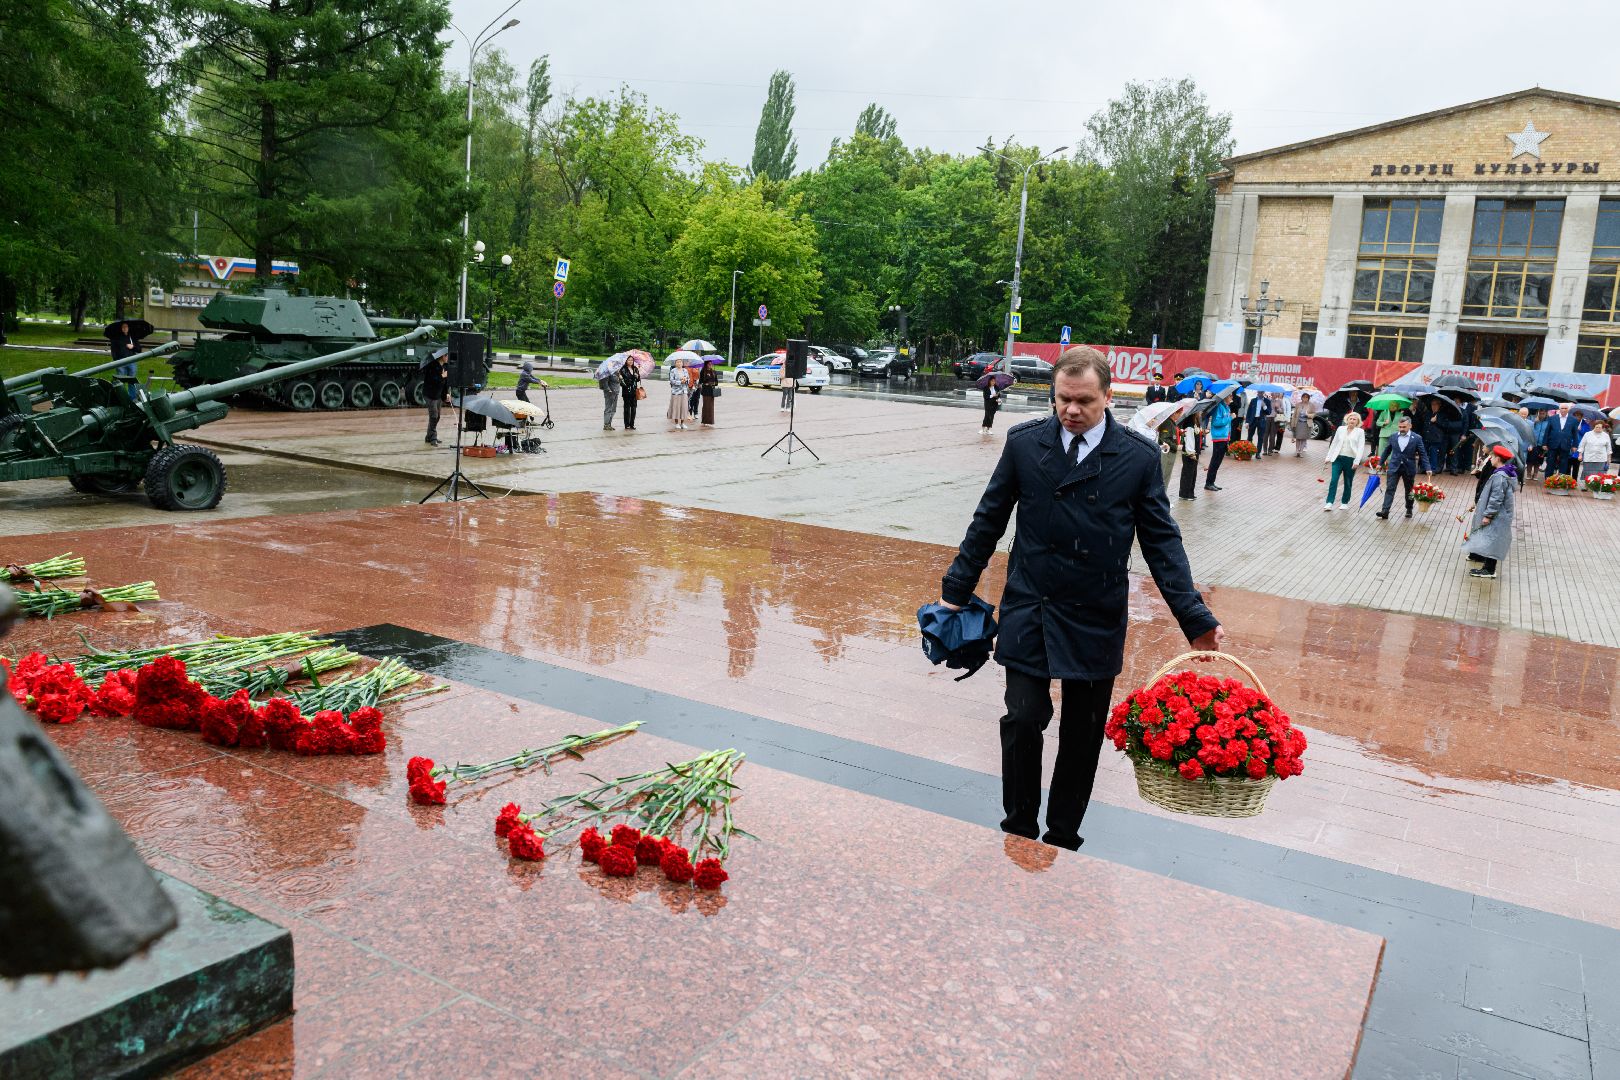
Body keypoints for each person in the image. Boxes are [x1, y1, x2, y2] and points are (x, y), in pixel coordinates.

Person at [938, 347, 1222, 850]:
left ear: (1108, 397)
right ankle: (1019, 826)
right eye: (1062, 399)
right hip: (1032, 603)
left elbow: (1162, 543)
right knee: (1023, 717)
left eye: (1084, 401)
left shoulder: (1137, 457)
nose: (1070, 410)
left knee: (1083, 732)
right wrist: (956, 591)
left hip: (1095, 613)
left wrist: (1194, 617)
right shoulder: (1025, 443)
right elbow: (989, 517)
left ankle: (1063, 834)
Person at [1464, 446, 1517, 580]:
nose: (1490, 459)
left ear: (1498, 459)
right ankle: (1487, 567)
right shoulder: (1502, 473)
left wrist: (1488, 515)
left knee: (1492, 539)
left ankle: (1489, 569)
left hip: (1497, 515)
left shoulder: (1500, 476)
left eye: (1492, 457)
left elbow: (1496, 497)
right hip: (1499, 514)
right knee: (1491, 538)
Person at [1375, 415, 1433, 520]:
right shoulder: (1393, 436)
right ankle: (1385, 511)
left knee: (1409, 490)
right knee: (1390, 488)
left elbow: (1423, 454)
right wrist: (1380, 463)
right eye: (1400, 427)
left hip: (1409, 467)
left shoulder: (1417, 438)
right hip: (1394, 466)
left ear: (1410, 426)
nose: (1401, 429)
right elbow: (1387, 450)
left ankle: (1409, 509)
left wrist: (1428, 468)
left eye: (1404, 427)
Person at [1321, 411, 1366, 511]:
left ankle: (1344, 502)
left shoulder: (1360, 432)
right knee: (1334, 480)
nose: (1352, 420)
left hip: (1351, 460)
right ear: (1347, 420)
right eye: (1351, 418)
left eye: (1354, 419)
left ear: (1357, 422)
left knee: (1348, 481)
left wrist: (1357, 461)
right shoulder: (1340, 429)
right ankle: (1329, 502)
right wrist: (1328, 457)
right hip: (1338, 458)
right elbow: (1334, 443)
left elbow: (1361, 447)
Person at [1540, 403, 1582, 478]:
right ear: (1559, 409)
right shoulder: (1552, 418)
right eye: (1562, 408)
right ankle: (1548, 479)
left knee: (1563, 464)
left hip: (1565, 444)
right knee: (1550, 463)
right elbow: (1547, 432)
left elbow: (1575, 433)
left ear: (1568, 410)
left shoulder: (1573, 420)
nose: (1564, 410)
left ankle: (1561, 480)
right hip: (1553, 444)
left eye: (1565, 408)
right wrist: (1544, 443)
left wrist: (1575, 445)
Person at [1203, 393, 1232, 491]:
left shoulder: (1226, 407)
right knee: (1215, 461)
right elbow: (1216, 422)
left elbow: (1227, 424)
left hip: (1224, 437)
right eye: (1230, 396)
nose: (1231, 397)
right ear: (1225, 397)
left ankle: (1212, 482)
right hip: (1218, 437)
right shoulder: (1219, 407)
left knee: (1218, 461)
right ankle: (1208, 483)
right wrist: (1230, 418)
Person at [422, 349, 450, 446]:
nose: (448, 358)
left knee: (437, 416)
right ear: (443, 356)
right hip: (430, 395)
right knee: (434, 416)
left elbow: (445, 383)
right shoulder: (432, 366)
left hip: (438, 395)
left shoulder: (445, 366)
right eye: (447, 356)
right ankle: (433, 437)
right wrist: (442, 376)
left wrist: (446, 394)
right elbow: (432, 381)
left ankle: (429, 436)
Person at [109, 321, 141, 402]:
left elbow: (139, 349)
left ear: (128, 328)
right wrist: (116, 361)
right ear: (121, 328)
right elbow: (113, 350)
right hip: (121, 362)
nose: (124, 328)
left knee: (132, 380)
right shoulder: (116, 338)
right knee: (120, 380)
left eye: (126, 327)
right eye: (123, 327)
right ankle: (121, 398)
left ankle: (133, 398)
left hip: (132, 361)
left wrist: (133, 347)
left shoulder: (132, 337)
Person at [1177, 413, 1204, 501]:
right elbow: (1189, 440)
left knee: (1192, 473)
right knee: (1188, 473)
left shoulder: (1195, 424)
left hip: (1194, 451)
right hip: (1189, 453)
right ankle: (1185, 494)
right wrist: (1191, 453)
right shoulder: (1189, 426)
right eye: (1199, 412)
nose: (1200, 413)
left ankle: (1190, 492)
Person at [1289, 392, 1316, 457]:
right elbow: (1294, 415)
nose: (1305, 398)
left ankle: (1300, 452)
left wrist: (1308, 415)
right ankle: (1297, 451)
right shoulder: (1298, 404)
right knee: (1298, 438)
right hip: (1298, 423)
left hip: (1306, 424)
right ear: (1301, 398)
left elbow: (1314, 414)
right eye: (1303, 397)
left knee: (1304, 438)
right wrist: (1292, 423)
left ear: (1308, 398)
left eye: (1306, 397)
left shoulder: (1311, 405)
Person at [666, 359, 691, 430]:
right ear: (675, 363)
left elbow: (688, 379)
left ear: (682, 363)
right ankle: (677, 423)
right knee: (676, 407)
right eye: (678, 362)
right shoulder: (673, 371)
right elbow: (671, 381)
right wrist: (680, 382)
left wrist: (686, 380)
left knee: (684, 407)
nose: (679, 363)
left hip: (684, 391)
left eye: (680, 362)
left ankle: (682, 423)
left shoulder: (685, 370)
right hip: (676, 392)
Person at [618, 359, 642, 431]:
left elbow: (638, 380)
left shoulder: (635, 368)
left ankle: (632, 424)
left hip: (634, 391)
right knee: (627, 408)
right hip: (626, 392)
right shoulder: (623, 369)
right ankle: (627, 424)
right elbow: (621, 383)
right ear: (626, 361)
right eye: (629, 360)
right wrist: (622, 379)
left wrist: (637, 376)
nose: (630, 361)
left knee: (634, 408)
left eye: (632, 360)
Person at [599, 360, 621, 431]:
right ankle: (606, 424)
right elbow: (604, 382)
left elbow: (618, 382)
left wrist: (620, 377)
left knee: (613, 409)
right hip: (610, 393)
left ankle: (609, 424)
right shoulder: (607, 372)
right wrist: (608, 390)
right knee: (608, 408)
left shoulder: (616, 372)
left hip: (616, 392)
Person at [698, 359, 719, 426]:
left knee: (711, 406)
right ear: (706, 364)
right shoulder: (703, 371)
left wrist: (713, 383)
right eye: (709, 364)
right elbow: (700, 381)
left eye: (711, 364)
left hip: (712, 391)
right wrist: (705, 383)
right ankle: (704, 421)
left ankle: (710, 421)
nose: (710, 365)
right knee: (706, 406)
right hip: (705, 390)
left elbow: (717, 382)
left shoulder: (714, 372)